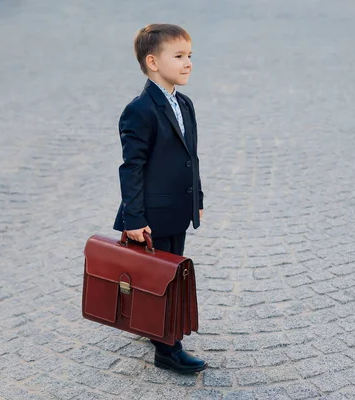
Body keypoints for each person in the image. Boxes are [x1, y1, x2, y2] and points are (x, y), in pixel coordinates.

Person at [113, 23, 206, 373]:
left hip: (177, 210)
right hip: (151, 216)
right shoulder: (141, 109)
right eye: (179, 56)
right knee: (163, 281)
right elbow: (131, 167)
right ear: (153, 62)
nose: (188, 63)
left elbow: (190, 156)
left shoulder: (184, 103)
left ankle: (148, 324)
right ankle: (167, 349)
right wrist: (134, 218)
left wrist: (197, 196)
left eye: (190, 56)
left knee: (162, 274)